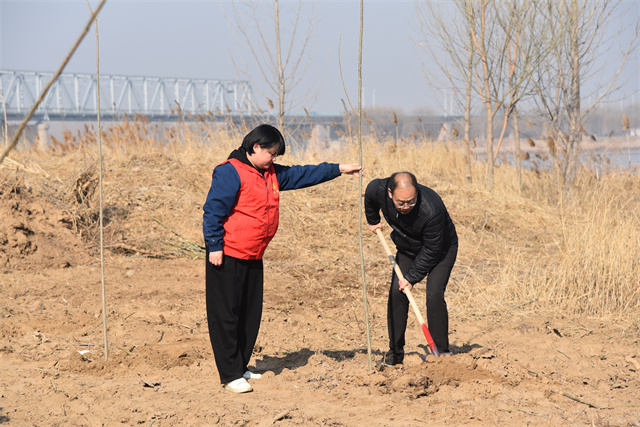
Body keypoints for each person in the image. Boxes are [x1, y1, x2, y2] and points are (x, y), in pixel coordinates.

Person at [203, 124, 362, 393]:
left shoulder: (271, 173)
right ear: (255, 147)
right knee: (226, 315)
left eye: (276, 155)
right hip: (228, 254)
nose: (274, 158)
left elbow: (304, 174)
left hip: (254, 254)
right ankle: (229, 374)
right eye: (272, 153)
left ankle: (240, 366)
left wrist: (339, 169)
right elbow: (213, 211)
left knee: (250, 314)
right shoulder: (230, 171)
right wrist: (214, 245)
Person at [364, 171, 458, 366]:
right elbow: (370, 195)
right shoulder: (379, 189)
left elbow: (432, 250)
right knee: (396, 292)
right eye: (401, 203)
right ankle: (395, 354)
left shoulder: (432, 208)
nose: (406, 207)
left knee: (434, 293)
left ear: (417, 193)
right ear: (390, 193)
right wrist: (372, 220)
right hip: (407, 247)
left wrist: (412, 277)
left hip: (441, 249)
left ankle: (441, 353)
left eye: (411, 202)